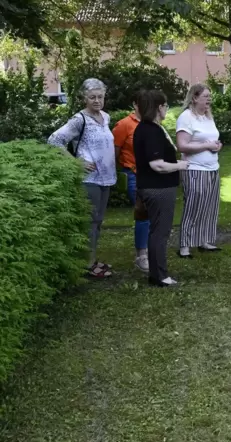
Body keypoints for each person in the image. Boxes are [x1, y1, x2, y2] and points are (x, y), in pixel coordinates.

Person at [48, 78, 117, 278]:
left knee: (98, 221)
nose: (97, 100)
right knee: (91, 221)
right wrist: (76, 162)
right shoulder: (80, 119)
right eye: (92, 97)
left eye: (100, 96)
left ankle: (92, 259)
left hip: (106, 177)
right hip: (90, 179)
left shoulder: (106, 117)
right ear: (84, 98)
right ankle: (87, 264)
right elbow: (55, 140)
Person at [133, 90, 189, 287]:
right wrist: (180, 166)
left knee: (155, 231)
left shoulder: (144, 128)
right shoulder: (152, 131)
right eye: (165, 105)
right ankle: (160, 276)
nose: (166, 109)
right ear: (159, 108)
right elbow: (157, 164)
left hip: (153, 187)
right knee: (160, 232)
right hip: (158, 189)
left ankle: (156, 273)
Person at [176, 84, 223, 258]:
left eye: (210, 96)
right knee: (193, 206)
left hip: (212, 168)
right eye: (206, 96)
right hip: (194, 169)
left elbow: (212, 140)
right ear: (194, 98)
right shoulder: (186, 117)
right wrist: (207, 145)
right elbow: (182, 145)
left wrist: (217, 146)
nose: (209, 99)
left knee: (210, 206)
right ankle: (185, 245)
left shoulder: (208, 117)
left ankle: (204, 240)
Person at [112, 93, 150, 273]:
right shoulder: (124, 125)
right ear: (134, 104)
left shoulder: (152, 123)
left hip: (152, 175)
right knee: (143, 214)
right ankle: (141, 255)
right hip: (134, 175)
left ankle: (149, 250)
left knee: (151, 213)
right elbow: (114, 153)